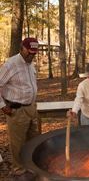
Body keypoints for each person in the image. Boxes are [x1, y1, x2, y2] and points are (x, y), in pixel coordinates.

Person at [0, 38, 39, 181]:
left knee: (33, 139)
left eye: (34, 53)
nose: (31, 56)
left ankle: (33, 165)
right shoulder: (11, 64)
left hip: (31, 107)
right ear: (21, 48)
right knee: (17, 142)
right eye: (29, 53)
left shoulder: (31, 62)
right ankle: (19, 170)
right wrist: (2, 106)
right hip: (17, 110)